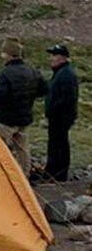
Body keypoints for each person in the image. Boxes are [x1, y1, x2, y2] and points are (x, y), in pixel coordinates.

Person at [0, 44, 46, 177]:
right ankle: (24, 176)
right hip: (25, 118)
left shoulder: (5, 73)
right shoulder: (32, 71)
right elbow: (44, 89)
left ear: (8, 55)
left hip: (6, 119)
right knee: (23, 150)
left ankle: (0, 175)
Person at [44, 45, 80, 183]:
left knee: (58, 145)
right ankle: (52, 172)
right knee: (56, 143)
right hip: (58, 116)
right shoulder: (60, 72)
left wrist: (52, 109)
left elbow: (67, 98)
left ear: (62, 58)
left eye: (54, 55)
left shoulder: (66, 74)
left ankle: (57, 174)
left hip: (61, 116)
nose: (51, 58)